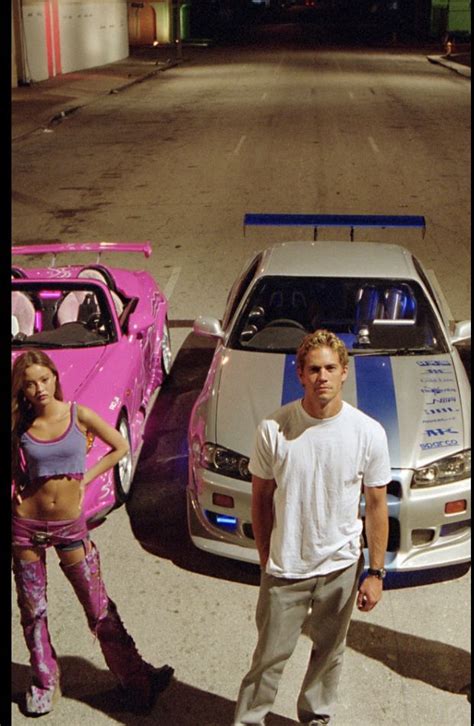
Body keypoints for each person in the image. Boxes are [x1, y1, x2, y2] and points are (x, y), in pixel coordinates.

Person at [233, 329, 390, 726]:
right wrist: (267, 558)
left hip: (340, 566)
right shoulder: (275, 428)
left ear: (344, 373)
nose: (323, 376)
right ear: (300, 373)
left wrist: (375, 572)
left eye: (330, 368)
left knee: (330, 652)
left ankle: (316, 717)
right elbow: (260, 499)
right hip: (287, 568)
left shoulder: (368, 432)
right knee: (268, 658)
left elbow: (375, 506)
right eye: (314, 368)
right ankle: (249, 719)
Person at [11, 349, 174, 716]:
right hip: (26, 527)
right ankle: (44, 681)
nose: (39, 388)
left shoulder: (77, 414)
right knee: (33, 610)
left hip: (70, 525)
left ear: (54, 377)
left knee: (98, 609)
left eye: (44, 379)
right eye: (30, 382)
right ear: (22, 388)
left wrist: (85, 478)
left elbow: (119, 447)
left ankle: (135, 677)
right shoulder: (19, 424)